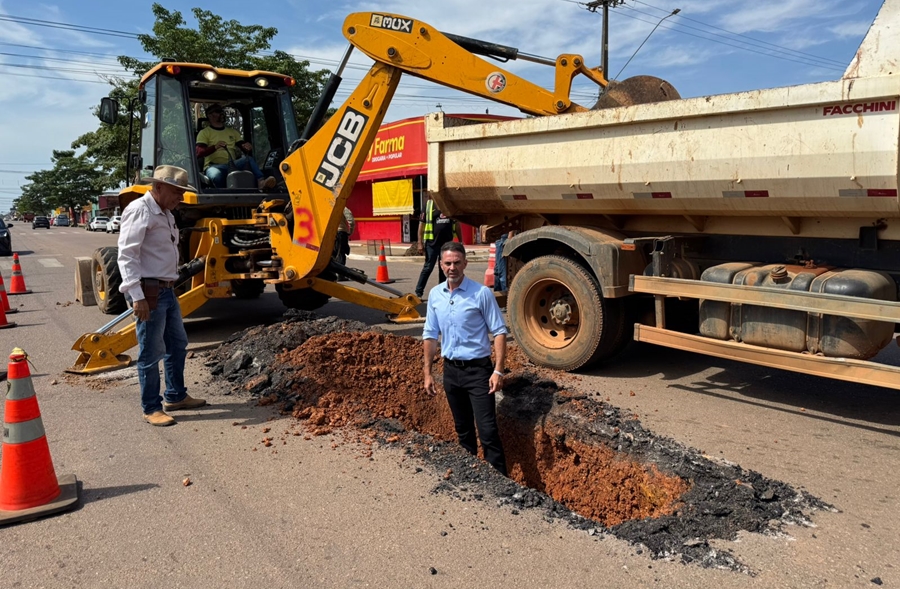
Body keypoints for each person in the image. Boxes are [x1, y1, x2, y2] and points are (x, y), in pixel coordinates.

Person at [118, 165, 207, 427]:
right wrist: (137, 296)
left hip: (167, 290)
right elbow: (127, 255)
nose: (179, 198)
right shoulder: (139, 210)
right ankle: (151, 407)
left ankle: (176, 395)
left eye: (181, 192)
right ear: (158, 187)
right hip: (149, 291)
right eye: (176, 192)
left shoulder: (166, 212)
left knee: (177, 344)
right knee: (151, 352)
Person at [422, 241, 509, 476]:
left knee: (488, 431)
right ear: (441, 264)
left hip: (478, 373)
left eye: (457, 263)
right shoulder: (435, 295)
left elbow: (499, 331)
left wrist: (498, 370)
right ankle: (471, 477)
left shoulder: (480, 294)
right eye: (448, 263)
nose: (452, 268)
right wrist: (428, 373)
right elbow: (430, 334)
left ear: (465, 264)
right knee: (463, 430)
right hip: (451, 372)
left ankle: (501, 483)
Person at [195, 103, 276, 190]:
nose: (222, 114)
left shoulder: (232, 132)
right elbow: (199, 152)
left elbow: (242, 145)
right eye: (218, 112)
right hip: (214, 166)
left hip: (232, 164)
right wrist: (215, 147)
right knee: (215, 175)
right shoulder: (204, 133)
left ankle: (261, 182)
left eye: (222, 111)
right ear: (210, 116)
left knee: (248, 159)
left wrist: (247, 147)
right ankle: (223, 193)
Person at [415, 197, 460, 298]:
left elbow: (457, 225)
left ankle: (443, 291)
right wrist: (420, 243)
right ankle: (419, 292)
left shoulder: (449, 205)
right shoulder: (428, 205)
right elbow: (421, 225)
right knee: (428, 268)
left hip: (447, 245)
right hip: (432, 244)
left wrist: (460, 241)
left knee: (444, 268)